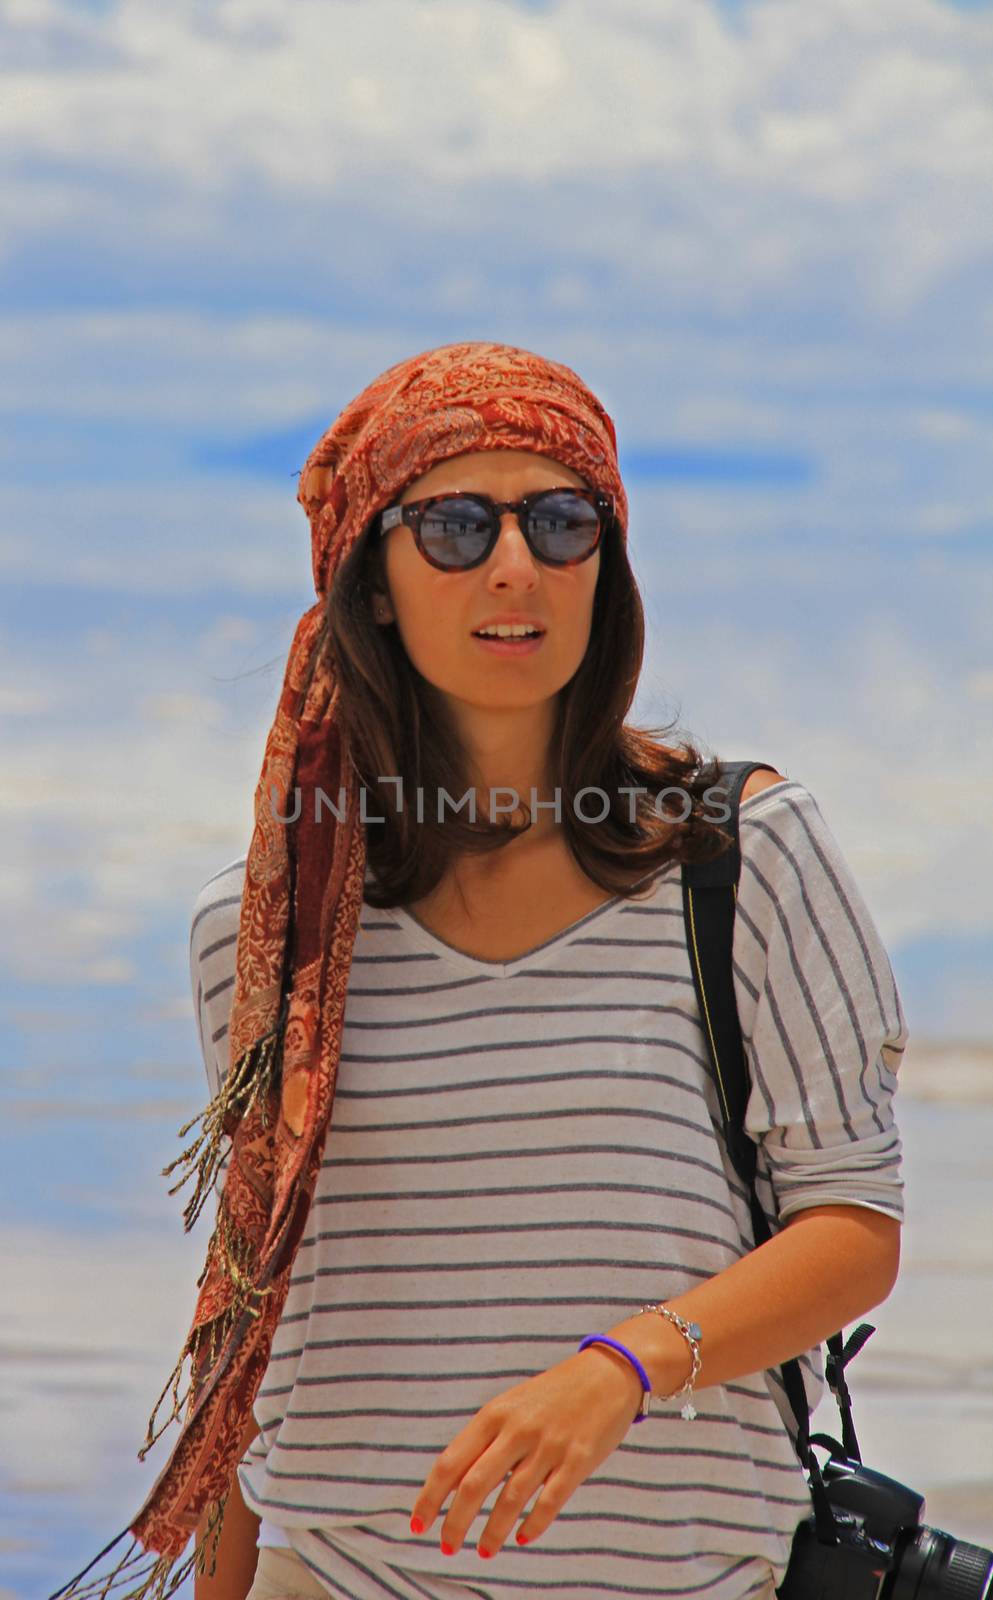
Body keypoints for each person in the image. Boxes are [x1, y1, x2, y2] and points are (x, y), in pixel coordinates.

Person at [54, 342, 908, 1600]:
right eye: (455, 524)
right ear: (377, 580)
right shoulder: (267, 930)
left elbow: (853, 1227)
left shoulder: (744, 857)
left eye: (563, 522)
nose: (517, 564)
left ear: (604, 568)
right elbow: (259, 1319)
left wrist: (622, 1365)